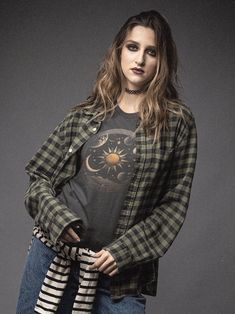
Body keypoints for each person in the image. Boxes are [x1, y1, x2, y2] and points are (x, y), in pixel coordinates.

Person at [16, 9, 197, 314]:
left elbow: (173, 204)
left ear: (161, 60)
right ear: (119, 52)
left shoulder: (177, 122)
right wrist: (59, 220)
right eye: (132, 47)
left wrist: (123, 251)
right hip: (52, 258)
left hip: (119, 278)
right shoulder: (86, 114)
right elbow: (38, 178)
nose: (139, 59)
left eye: (150, 51)